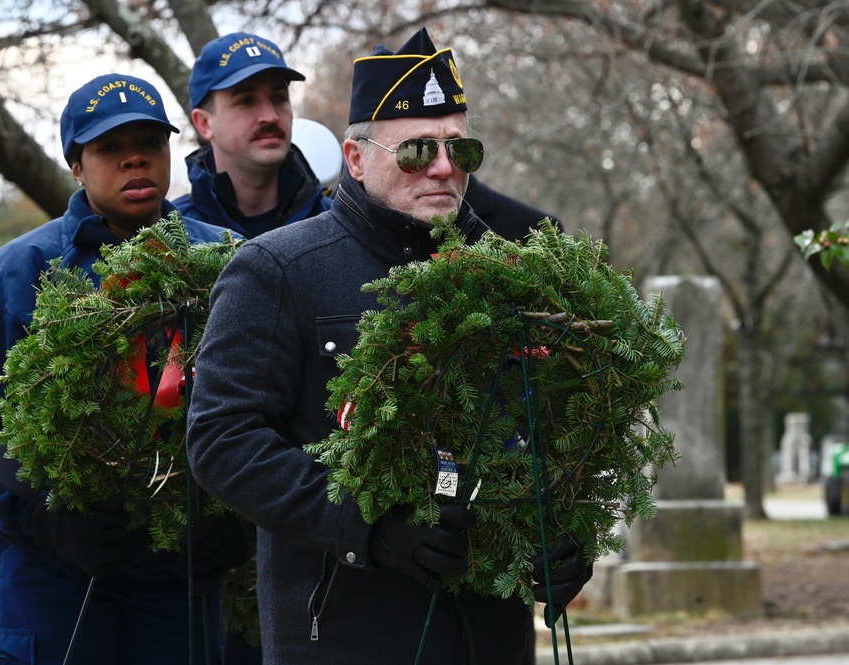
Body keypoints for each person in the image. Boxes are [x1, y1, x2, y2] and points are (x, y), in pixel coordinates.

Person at [186, 28, 591, 665]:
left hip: (489, 636)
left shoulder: (515, 278)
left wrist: (566, 532)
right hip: (345, 631)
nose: (443, 168)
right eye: (415, 151)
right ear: (355, 159)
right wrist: (370, 527)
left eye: (462, 150)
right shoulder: (279, 270)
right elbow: (222, 441)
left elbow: (562, 429)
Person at [0, 73, 252, 665]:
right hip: (52, 579)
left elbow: (271, 409)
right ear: (75, 166)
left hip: (182, 575)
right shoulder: (18, 273)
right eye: (110, 148)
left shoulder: (229, 263)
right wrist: (45, 520)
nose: (136, 159)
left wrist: (241, 524)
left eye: (150, 143)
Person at [173, 31, 330, 238]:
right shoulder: (171, 239)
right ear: (205, 123)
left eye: (279, 97)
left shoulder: (338, 224)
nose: (271, 116)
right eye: (246, 101)